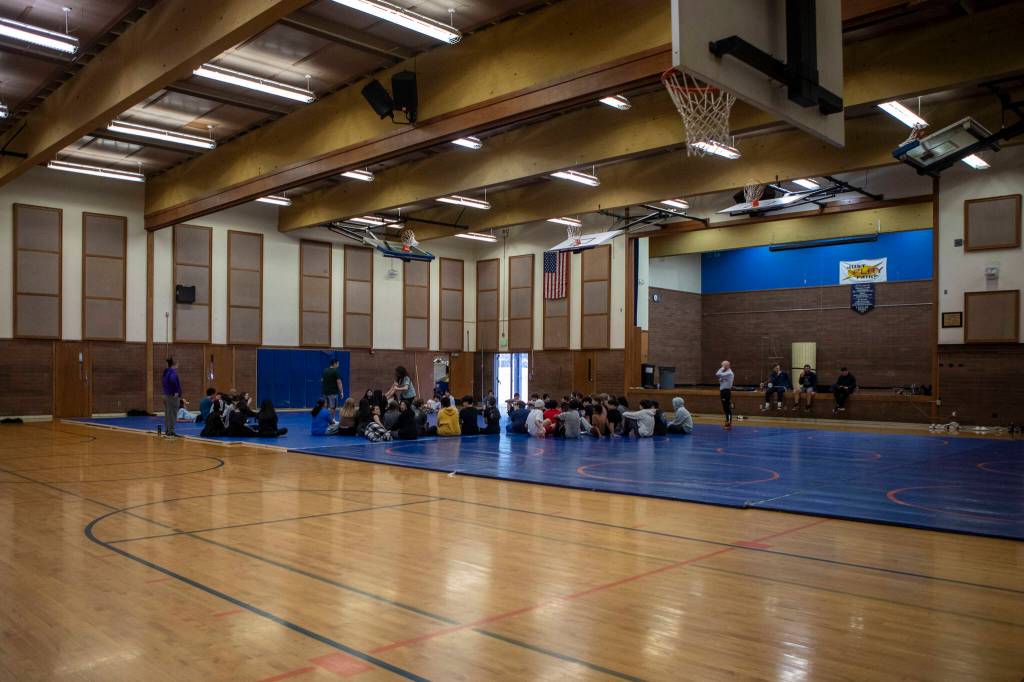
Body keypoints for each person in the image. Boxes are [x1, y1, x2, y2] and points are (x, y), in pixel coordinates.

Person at [161, 357, 182, 437]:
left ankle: (167, 430)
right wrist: (176, 391)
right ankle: (171, 431)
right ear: (175, 364)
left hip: (166, 395)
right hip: (172, 396)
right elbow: (173, 380)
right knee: (172, 414)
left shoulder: (166, 372)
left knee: (167, 413)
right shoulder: (172, 372)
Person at [716, 360, 735, 430]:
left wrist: (722, 368)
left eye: (724, 366)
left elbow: (717, 374)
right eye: (722, 365)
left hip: (726, 391)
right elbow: (720, 379)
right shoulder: (725, 373)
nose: (722, 367)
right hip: (723, 391)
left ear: (727, 365)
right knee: (724, 407)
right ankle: (727, 421)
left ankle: (729, 423)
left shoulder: (729, 373)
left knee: (727, 407)